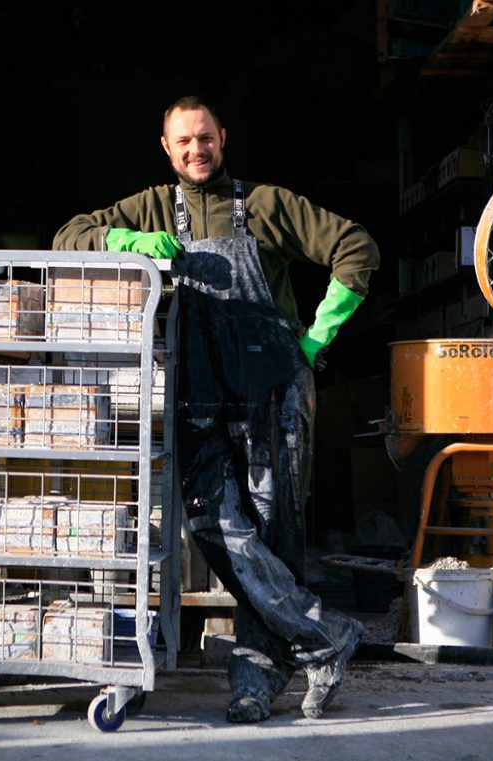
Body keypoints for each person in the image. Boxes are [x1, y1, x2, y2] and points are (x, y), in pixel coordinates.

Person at [54, 96, 379, 723]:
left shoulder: (266, 205)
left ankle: (255, 681)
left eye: (205, 138)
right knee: (217, 530)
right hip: (196, 397)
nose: (195, 149)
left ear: (222, 138)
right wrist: (117, 237)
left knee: (271, 537)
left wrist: (318, 336)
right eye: (183, 141)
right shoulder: (149, 206)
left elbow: (357, 248)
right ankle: (325, 635)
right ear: (167, 147)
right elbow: (68, 234)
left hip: (270, 395)